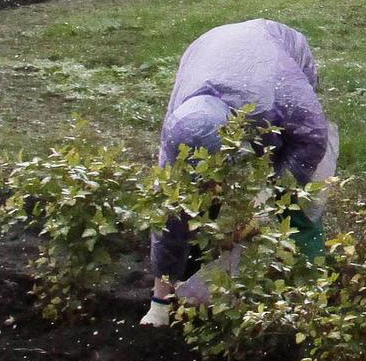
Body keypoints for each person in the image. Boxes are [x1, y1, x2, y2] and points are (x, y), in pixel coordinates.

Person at [141, 19, 339, 326]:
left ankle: (308, 291)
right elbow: (170, 217)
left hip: (272, 53)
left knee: (297, 203)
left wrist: (273, 197)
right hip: (205, 53)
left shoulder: (280, 93)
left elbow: (310, 137)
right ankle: (195, 276)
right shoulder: (179, 132)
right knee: (194, 209)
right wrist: (158, 302)